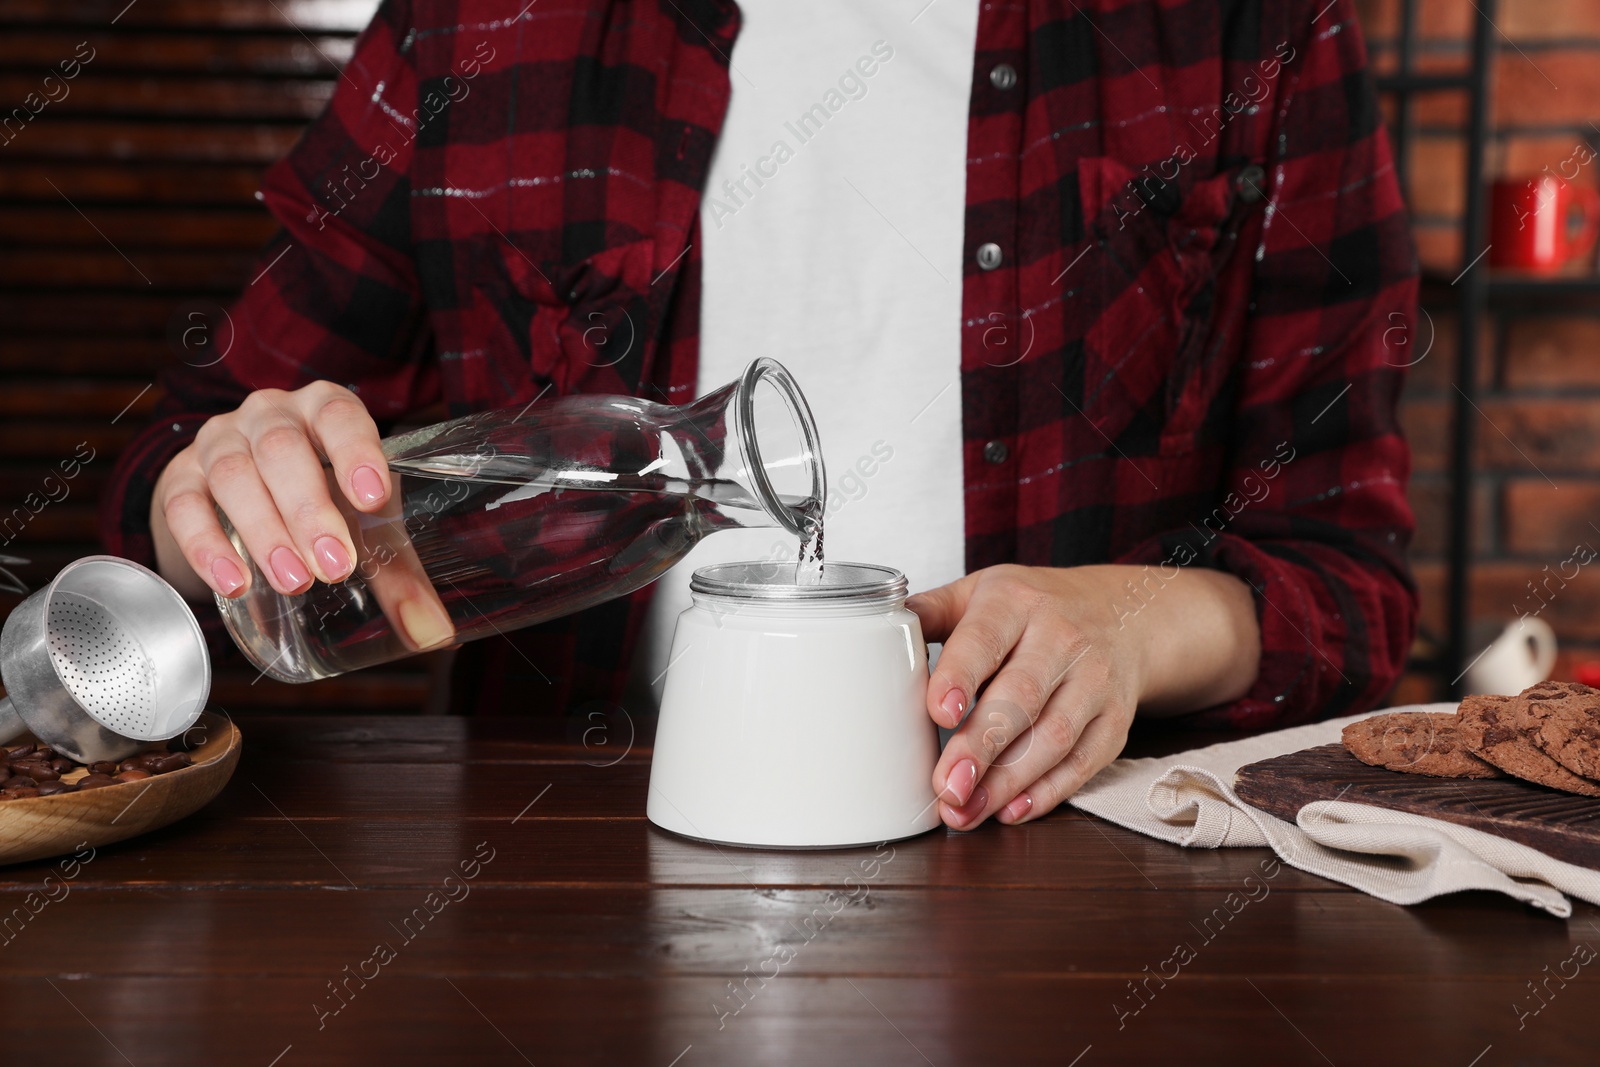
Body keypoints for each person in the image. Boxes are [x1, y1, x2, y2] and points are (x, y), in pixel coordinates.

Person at [102, 0, 1418, 833]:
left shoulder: (1251, 27)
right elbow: (185, 456)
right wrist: (207, 494)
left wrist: (1134, 623)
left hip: (1069, 868)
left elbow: (1347, 582)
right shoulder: (475, 25)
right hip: (555, 892)